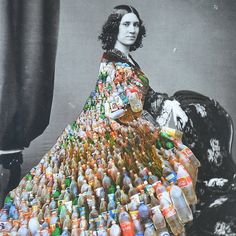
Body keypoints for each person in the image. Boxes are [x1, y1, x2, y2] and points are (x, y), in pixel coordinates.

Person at [0, 5, 200, 234]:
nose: (132, 29)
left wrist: (164, 104)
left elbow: (142, 95)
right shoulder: (112, 61)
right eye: (126, 24)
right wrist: (131, 106)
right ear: (115, 28)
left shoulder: (126, 59)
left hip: (122, 125)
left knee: (143, 177)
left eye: (135, 24)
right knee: (102, 189)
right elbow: (112, 105)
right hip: (104, 130)